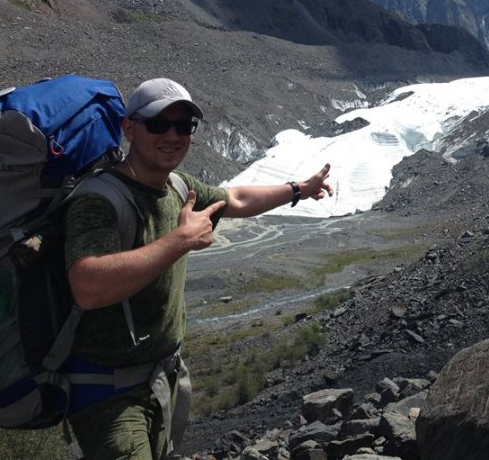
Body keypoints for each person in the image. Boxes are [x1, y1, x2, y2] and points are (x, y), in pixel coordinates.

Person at [64, 77, 332, 459]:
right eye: (158, 124)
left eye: (184, 126)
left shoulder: (177, 186)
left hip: (164, 378)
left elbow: (235, 198)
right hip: (109, 391)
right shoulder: (98, 199)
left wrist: (297, 189)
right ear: (129, 129)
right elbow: (87, 285)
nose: (172, 135)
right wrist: (179, 241)